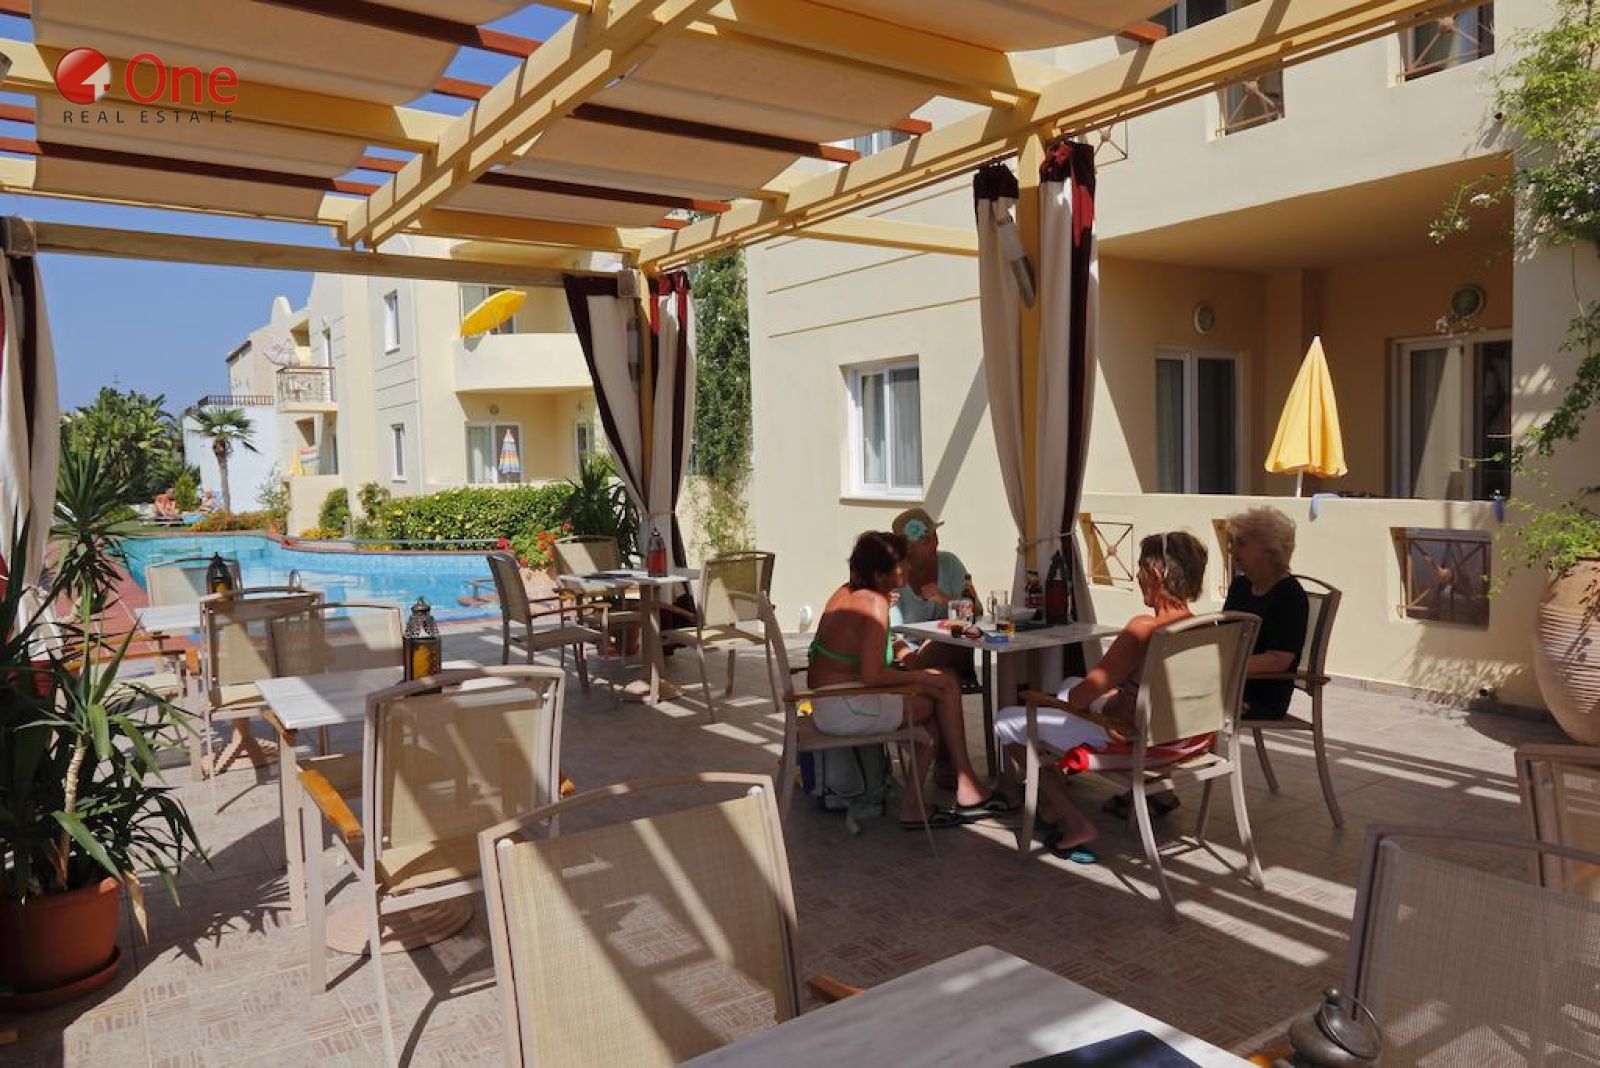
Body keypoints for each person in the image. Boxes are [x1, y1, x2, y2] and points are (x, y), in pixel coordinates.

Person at [992, 531, 1211, 863]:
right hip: (1184, 739)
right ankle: (1052, 791)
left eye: (1140, 568)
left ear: (1156, 574)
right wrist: (1113, 694)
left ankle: (1072, 820)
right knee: (1069, 683)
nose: (1137, 576)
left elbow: (1079, 700)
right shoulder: (1206, 628)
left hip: (1132, 740)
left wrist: (1050, 701)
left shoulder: (1144, 630)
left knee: (1007, 721)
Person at [808, 531, 1012, 829]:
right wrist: (922, 677)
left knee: (940, 691)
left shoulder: (846, 594)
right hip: (846, 706)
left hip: (831, 703)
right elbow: (873, 675)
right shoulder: (872, 604)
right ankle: (959, 787)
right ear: (880, 575)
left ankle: (927, 797)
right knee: (942, 689)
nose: (907, 567)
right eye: (901, 563)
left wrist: (922, 678)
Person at [1223, 506, 1309, 720]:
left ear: (1269, 549)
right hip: (1228, 685)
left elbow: (1278, 660)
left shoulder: (1289, 595)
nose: (1232, 550)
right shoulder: (1240, 586)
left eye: (1241, 544)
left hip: (1260, 696)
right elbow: (1225, 636)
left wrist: (1220, 668)